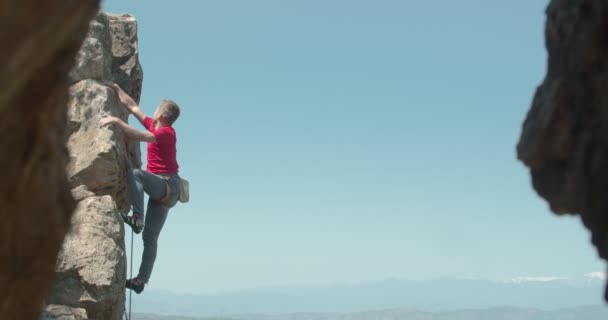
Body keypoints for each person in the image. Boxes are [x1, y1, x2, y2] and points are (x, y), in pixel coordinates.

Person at [99, 82, 181, 294]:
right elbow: (133, 107)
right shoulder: (157, 127)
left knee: (136, 174)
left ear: (161, 114)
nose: (152, 111)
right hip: (163, 192)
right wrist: (117, 89)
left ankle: (137, 217)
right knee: (149, 238)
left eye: (156, 109)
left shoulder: (167, 133)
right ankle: (140, 282)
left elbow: (140, 136)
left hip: (168, 186)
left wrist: (115, 121)